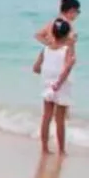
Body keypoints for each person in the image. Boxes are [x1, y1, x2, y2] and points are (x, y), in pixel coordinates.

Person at [34, 19, 76, 156]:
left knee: (46, 116)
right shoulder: (66, 50)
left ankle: (45, 148)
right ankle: (61, 150)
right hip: (61, 86)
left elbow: (36, 68)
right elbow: (68, 67)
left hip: (47, 85)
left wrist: (47, 76)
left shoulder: (45, 49)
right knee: (60, 120)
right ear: (66, 35)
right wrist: (58, 83)